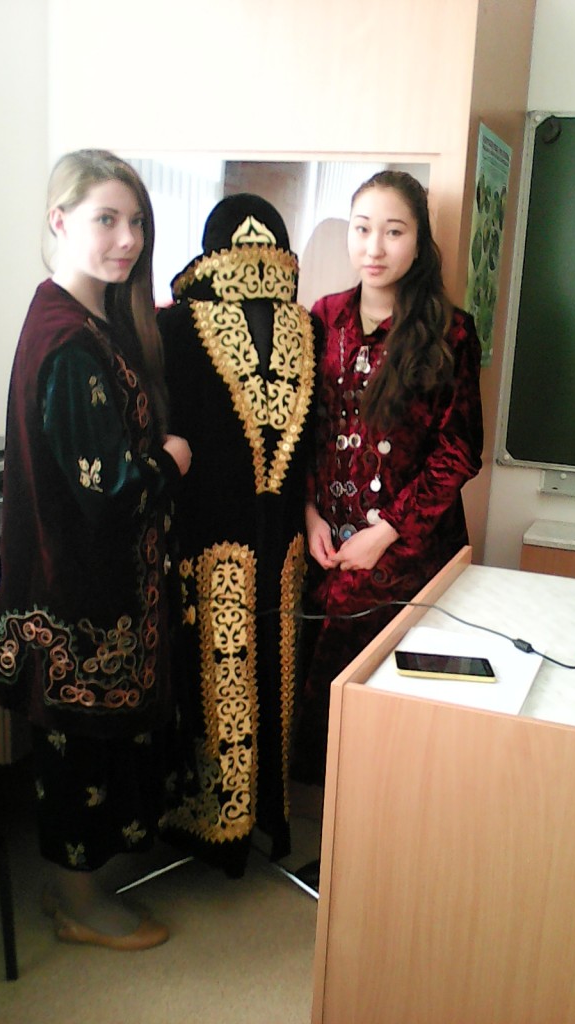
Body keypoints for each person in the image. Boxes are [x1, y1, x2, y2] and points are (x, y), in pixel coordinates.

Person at [0, 150, 192, 951]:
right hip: (80, 603)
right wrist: (172, 461)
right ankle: (77, 905)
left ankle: (81, 891)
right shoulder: (69, 342)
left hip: (97, 595)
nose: (128, 239)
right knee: (79, 757)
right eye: (106, 219)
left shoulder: (85, 323)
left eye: (136, 221)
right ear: (60, 220)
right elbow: (108, 491)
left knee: (94, 756)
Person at [292, 169, 484, 788]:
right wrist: (310, 513)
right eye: (362, 229)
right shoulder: (321, 319)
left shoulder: (452, 331)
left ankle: (380, 818)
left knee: (390, 714)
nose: (374, 247)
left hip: (409, 552)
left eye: (393, 232)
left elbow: (459, 451)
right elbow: (302, 432)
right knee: (317, 701)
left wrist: (388, 532)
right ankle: (323, 821)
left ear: (419, 239)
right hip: (325, 546)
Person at [158, 194, 318, 877]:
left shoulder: (308, 327)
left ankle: (256, 815)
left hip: (271, 549)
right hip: (214, 548)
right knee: (215, 685)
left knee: (274, 681)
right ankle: (223, 822)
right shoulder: (174, 327)